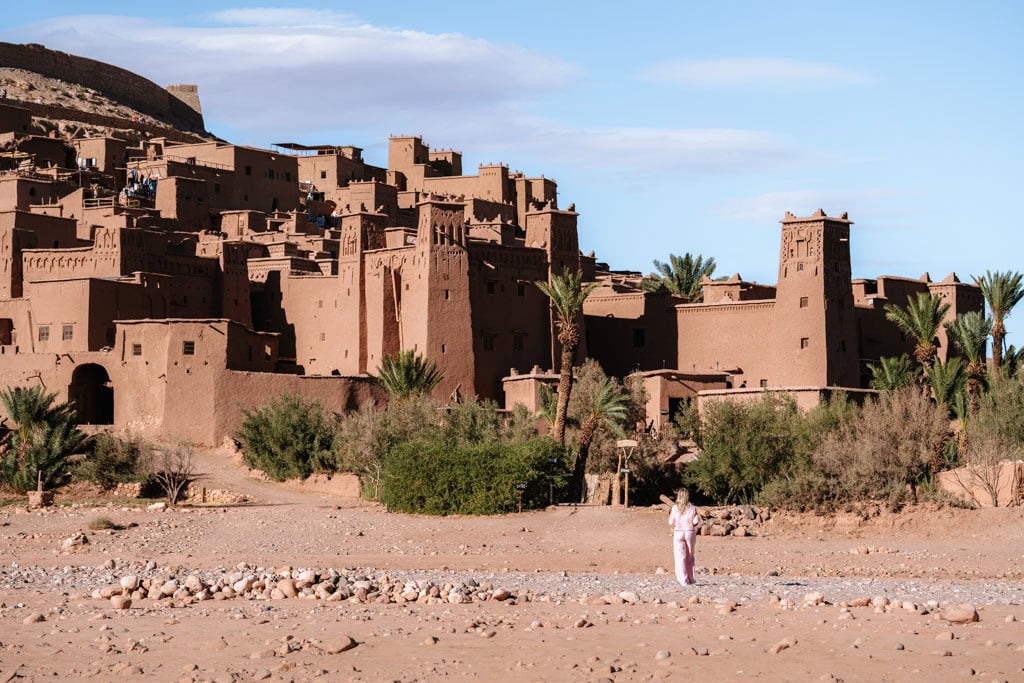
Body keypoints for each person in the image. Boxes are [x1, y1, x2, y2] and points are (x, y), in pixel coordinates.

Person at [668, 488, 701, 587]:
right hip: (690, 532)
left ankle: (683, 579)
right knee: (690, 555)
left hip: (678, 532)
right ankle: (691, 578)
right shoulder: (693, 508)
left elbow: (671, 522)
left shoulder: (675, 508)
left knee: (680, 557)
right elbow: (695, 522)